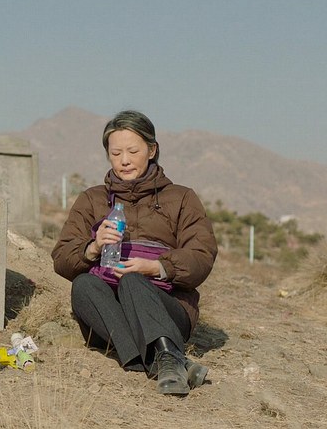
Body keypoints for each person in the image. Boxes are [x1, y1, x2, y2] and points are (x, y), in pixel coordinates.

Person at [51, 110, 217, 395]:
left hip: (167, 311)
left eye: (133, 151)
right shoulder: (92, 199)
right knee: (83, 284)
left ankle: (164, 351)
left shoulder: (181, 198)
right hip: (109, 316)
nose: (124, 160)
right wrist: (92, 247)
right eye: (116, 153)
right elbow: (61, 259)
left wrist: (157, 268)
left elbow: (201, 255)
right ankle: (170, 359)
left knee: (133, 281)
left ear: (152, 150)